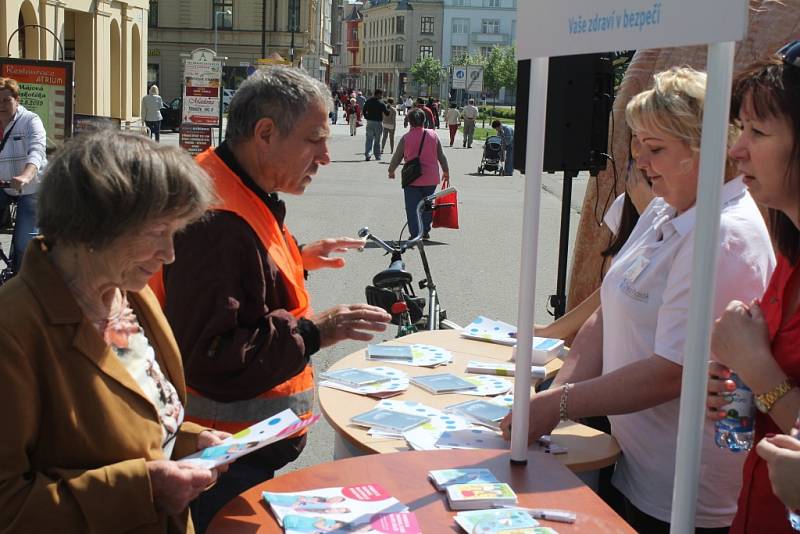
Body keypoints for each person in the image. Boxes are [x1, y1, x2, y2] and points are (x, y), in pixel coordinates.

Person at [501, 66, 776, 532]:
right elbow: (611, 308)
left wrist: (557, 406)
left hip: (686, 493)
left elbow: (671, 373)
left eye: (656, 149)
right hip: (635, 466)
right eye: (637, 145)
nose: (640, 161)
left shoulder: (723, 237)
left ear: (705, 148)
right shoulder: (668, 208)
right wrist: (554, 395)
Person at [151, 66, 392, 532]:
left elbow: (241, 283)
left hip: (235, 450)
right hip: (220, 457)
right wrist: (317, 330)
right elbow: (215, 353)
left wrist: (300, 258)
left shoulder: (233, 186)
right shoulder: (216, 218)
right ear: (264, 133)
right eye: (314, 139)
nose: (325, 155)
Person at [0, 130, 229, 532]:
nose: (170, 253)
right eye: (158, 231)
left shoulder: (129, 294)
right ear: (92, 225)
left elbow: (128, 423)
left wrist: (191, 441)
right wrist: (145, 489)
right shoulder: (13, 330)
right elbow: (7, 504)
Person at [704, 43, 800, 533]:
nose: (736, 149)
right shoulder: (788, 257)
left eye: (757, 131)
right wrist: (727, 391)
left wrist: (758, 371)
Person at [0, 76, 46, 274]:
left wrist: (26, 176)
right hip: (3, 186)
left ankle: (21, 286)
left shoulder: (30, 121)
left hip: (30, 187)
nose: (1, 105)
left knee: (23, 244)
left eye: (6, 100)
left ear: (17, 100)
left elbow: (37, 151)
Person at [388, 108, 450, 240]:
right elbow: (441, 156)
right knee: (427, 206)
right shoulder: (433, 135)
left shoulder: (406, 137)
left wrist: (391, 170)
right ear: (424, 120)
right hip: (430, 178)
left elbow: (397, 156)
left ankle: (415, 233)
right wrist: (446, 171)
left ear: (409, 122)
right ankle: (425, 230)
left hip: (412, 178)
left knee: (412, 207)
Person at [363, 89, 388, 161]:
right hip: (378, 122)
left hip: (370, 122)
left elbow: (364, 110)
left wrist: (366, 117)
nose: (382, 96)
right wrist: (388, 108)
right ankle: (377, 155)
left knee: (369, 139)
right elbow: (387, 113)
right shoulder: (381, 103)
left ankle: (368, 154)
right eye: (381, 94)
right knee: (377, 140)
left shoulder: (368, 101)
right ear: (378, 94)